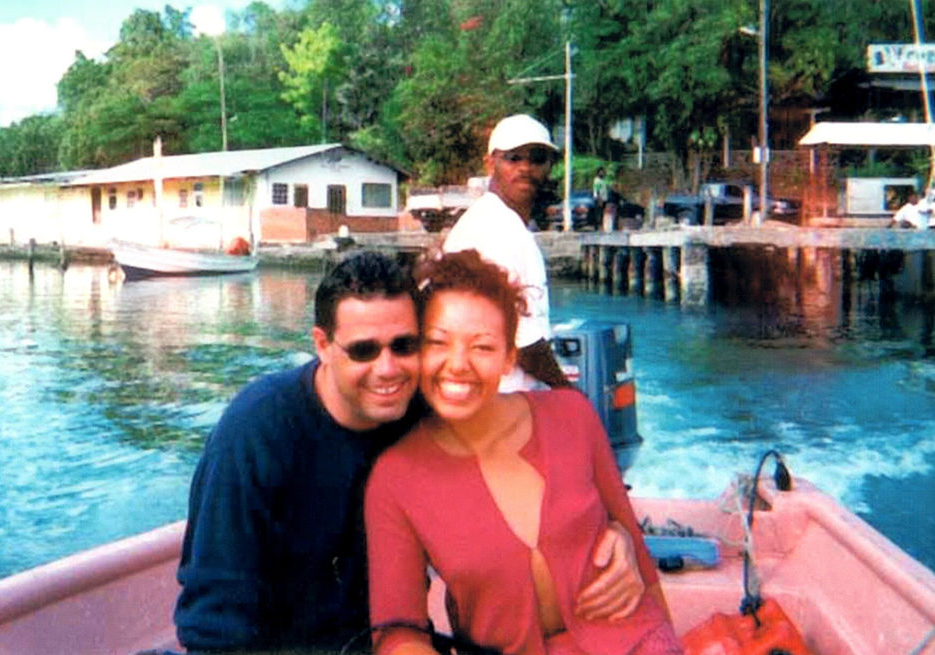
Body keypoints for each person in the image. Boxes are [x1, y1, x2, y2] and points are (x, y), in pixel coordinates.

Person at [174, 251, 645, 653]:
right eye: (363, 350)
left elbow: (528, 462)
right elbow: (212, 624)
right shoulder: (257, 432)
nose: (388, 369)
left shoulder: (422, 409)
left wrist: (617, 534)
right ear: (323, 345)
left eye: (404, 346)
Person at [365, 250, 682, 655]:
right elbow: (396, 631)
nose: (458, 364)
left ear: (508, 358)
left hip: (634, 640)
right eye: (437, 342)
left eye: (482, 347)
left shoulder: (572, 415)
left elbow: (638, 554)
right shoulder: (395, 478)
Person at [443, 113, 568, 391]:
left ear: (549, 166)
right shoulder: (496, 228)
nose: (525, 168)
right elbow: (524, 342)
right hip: (496, 398)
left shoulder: (498, 220)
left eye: (537, 159)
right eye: (513, 158)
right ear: (490, 164)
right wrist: (569, 394)